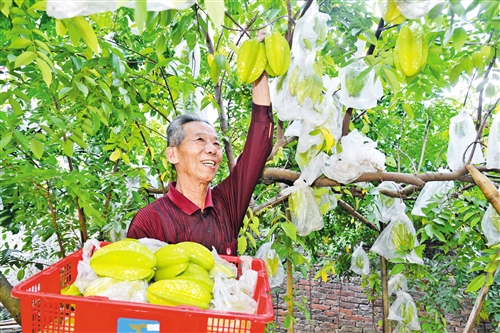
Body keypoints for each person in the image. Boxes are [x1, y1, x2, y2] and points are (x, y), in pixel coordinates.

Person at [126, 71, 273, 256]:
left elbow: (259, 146)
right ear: (173, 155)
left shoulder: (226, 204)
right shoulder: (150, 220)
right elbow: (134, 279)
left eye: (216, 143)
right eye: (200, 140)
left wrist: (259, 70)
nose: (212, 149)